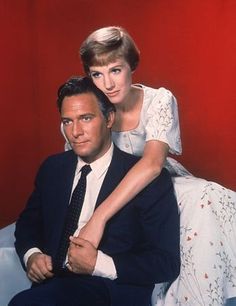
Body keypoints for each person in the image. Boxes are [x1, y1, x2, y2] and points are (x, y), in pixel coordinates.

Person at [61, 26, 236, 305]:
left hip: (157, 183)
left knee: (206, 196)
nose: (108, 84)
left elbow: (153, 165)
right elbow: (78, 171)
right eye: (97, 74)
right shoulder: (87, 112)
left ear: (132, 66)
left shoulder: (159, 100)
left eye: (116, 70)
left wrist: (99, 218)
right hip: (109, 187)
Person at [9, 76, 180, 306]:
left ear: (109, 118)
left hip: (110, 291)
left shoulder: (147, 179)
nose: (76, 131)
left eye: (86, 118)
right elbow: (28, 224)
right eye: (67, 121)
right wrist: (32, 255)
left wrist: (98, 263)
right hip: (52, 288)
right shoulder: (52, 168)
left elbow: (165, 262)